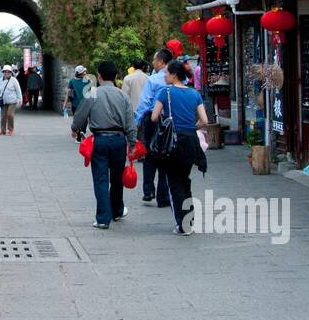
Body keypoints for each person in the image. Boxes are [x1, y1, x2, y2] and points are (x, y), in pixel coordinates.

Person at [71, 61, 137, 229]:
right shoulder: (122, 95)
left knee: (101, 179)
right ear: (115, 76)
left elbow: (80, 115)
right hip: (119, 140)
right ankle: (116, 210)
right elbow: (130, 122)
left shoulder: (92, 93)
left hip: (99, 140)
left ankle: (102, 218)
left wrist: (75, 129)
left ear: (99, 76)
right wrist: (132, 143)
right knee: (116, 179)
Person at [150, 59, 208, 236]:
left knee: (174, 183)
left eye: (167, 73)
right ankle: (189, 219)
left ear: (174, 75)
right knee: (185, 180)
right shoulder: (194, 93)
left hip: (172, 143)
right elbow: (204, 121)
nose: (164, 76)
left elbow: (154, 117)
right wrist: (192, 127)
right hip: (190, 142)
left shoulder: (164, 92)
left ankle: (183, 225)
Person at [134, 48, 174, 207]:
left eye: (154, 60)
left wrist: (137, 122)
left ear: (162, 62)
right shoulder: (178, 80)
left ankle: (148, 190)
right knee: (166, 155)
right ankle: (163, 196)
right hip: (171, 122)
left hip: (153, 120)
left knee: (149, 155)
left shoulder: (154, 80)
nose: (152, 62)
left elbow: (145, 102)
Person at [0, 65, 21, 135]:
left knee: (10, 114)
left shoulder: (14, 80)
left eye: (8, 72)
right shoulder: (0, 80)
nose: (6, 73)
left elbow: (18, 90)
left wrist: (20, 99)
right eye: (5, 72)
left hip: (13, 101)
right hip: (4, 101)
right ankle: (3, 131)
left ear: (11, 72)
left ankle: (11, 129)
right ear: (3, 72)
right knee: (3, 116)